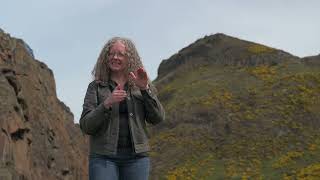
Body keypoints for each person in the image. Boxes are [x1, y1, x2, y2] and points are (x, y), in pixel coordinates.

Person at [79, 37, 165, 180]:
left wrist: (145, 89)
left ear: (129, 58)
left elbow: (157, 118)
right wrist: (106, 104)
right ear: (106, 58)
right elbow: (86, 126)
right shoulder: (96, 87)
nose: (115, 57)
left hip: (137, 159)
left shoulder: (140, 84)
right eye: (111, 54)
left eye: (120, 54)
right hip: (103, 158)